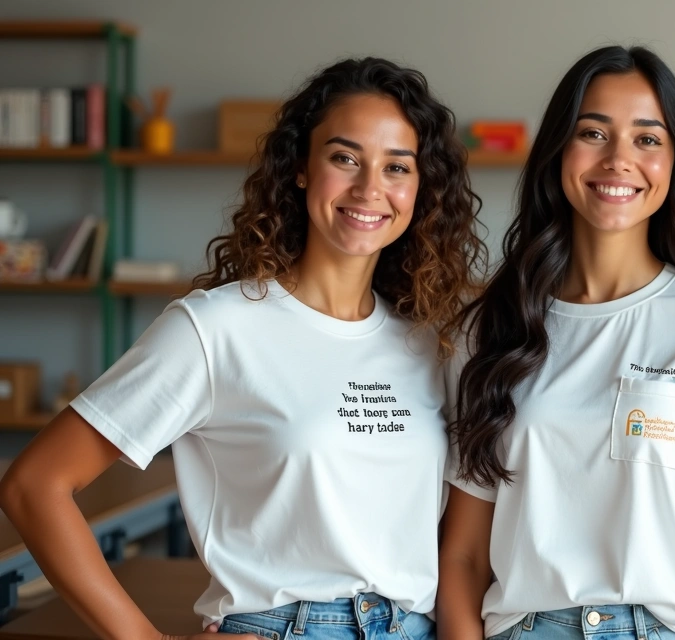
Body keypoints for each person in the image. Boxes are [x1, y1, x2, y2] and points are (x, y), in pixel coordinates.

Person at [0, 56, 485, 640]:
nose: (369, 188)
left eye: (397, 167)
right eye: (345, 157)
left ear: (420, 188)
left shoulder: (429, 343)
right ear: (302, 168)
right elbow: (34, 486)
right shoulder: (216, 328)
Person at [437, 45, 675, 640]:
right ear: (558, 152)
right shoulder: (487, 330)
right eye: (593, 132)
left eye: (648, 139)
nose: (619, 159)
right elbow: (463, 557)